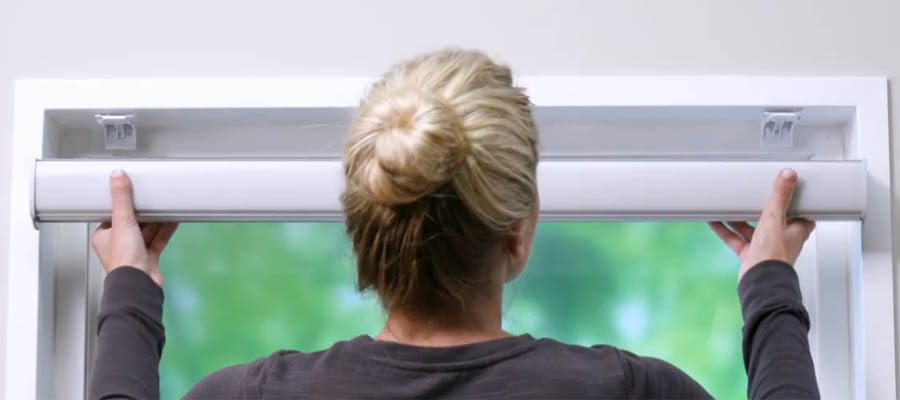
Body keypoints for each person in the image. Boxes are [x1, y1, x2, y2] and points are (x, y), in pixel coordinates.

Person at [88, 49, 819, 399]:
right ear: (519, 233)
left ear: (361, 231)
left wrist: (130, 291)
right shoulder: (622, 391)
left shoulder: (256, 396)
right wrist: (769, 285)